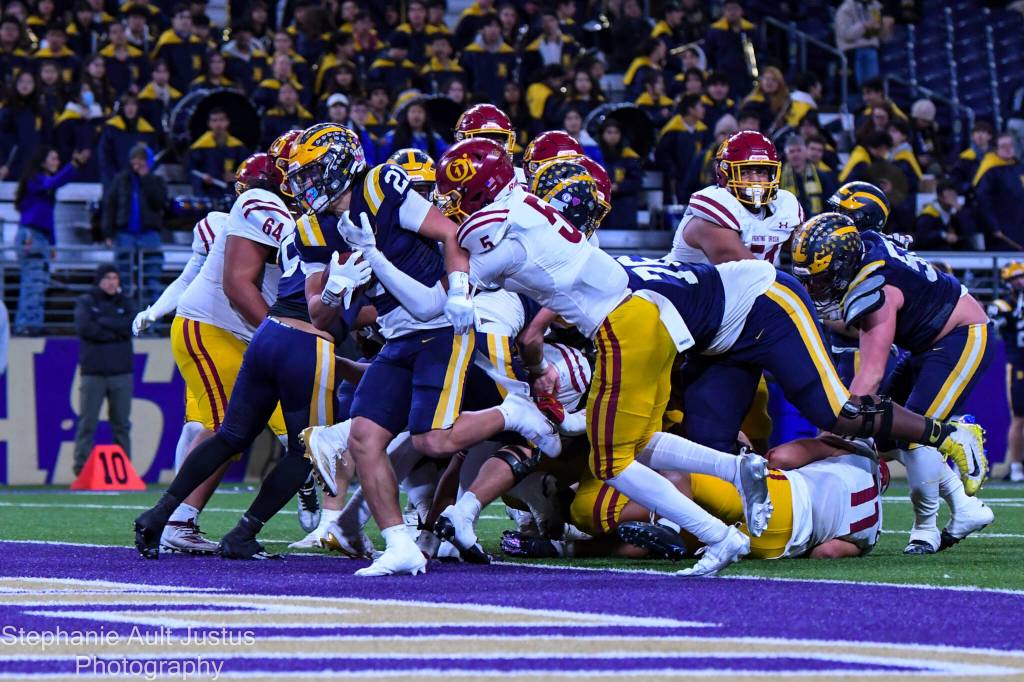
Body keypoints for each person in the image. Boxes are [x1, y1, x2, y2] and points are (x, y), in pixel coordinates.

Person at [791, 213, 993, 554]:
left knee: (913, 434)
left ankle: (925, 529)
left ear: (841, 264)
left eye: (820, 278)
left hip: (962, 335)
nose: (813, 288)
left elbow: (870, 375)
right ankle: (965, 507)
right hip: (928, 344)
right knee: (887, 435)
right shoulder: (866, 245)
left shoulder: (875, 286)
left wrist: (838, 425)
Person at [13, 146, 90, 335]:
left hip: (42, 238)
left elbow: (49, 216)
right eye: (53, 158)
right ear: (42, 161)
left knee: (38, 284)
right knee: (32, 283)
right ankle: (26, 326)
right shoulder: (35, 180)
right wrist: (74, 164)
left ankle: (32, 325)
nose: (57, 162)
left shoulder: (45, 185)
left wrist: (52, 243)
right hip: (31, 235)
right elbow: (54, 182)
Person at [72, 265, 136, 476]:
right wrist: (117, 331)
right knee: (87, 423)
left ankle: (124, 472)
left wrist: (103, 322)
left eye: (115, 278)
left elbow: (131, 325)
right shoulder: (86, 301)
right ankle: (82, 471)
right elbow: (85, 328)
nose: (111, 282)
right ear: (98, 280)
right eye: (107, 278)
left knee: (121, 424)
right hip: (93, 373)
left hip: (121, 373)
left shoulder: (126, 301)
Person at [102, 144, 167, 304]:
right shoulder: (120, 179)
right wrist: (108, 233)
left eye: (142, 159)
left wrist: (146, 178)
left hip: (149, 234)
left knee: (152, 278)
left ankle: (152, 318)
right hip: (124, 234)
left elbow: (159, 202)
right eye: (135, 159)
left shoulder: (157, 180)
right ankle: (127, 314)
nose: (138, 163)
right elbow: (110, 206)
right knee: (123, 277)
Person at [988, 263, 1024, 483]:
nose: (1020, 281)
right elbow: (993, 323)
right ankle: (1017, 466)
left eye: (1022, 276)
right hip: (1019, 366)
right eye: (1014, 278)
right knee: (1019, 418)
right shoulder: (1005, 304)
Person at [973, 132, 1024, 250]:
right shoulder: (990, 171)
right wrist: (994, 226)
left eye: (1010, 145)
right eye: (1003, 146)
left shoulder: (1019, 167)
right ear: (996, 149)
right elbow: (983, 201)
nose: (1008, 149)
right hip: (1003, 229)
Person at [655, 93, 710, 204]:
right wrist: (673, 171)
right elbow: (661, 155)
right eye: (700, 106)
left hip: (698, 181)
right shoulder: (672, 130)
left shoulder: (702, 130)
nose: (704, 109)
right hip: (677, 182)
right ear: (691, 109)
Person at [187, 107, 249, 198]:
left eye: (221, 120)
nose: (218, 124)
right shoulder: (199, 147)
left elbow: (247, 170)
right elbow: (191, 170)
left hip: (232, 192)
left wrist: (236, 176)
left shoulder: (238, 147)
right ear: (209, 124)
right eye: (214, 120)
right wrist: (202, 178)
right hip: (207, 192)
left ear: (227, 122)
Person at [97, 94, 158, 184]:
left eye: (133, 104)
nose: (130, 108)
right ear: (122, 108)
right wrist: (116, 177)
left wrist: (145, 173)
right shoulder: (111, 129)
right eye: (127, 104)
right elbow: (104, 156)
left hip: (140, 182)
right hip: (114, 182)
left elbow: (153, 157)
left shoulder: (147, 131)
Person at [705, 0, 758, 98]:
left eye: (735, 9)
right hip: (723, 77)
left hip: (746, 77)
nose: (732, 12)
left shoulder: (750, 30)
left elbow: (758, 52)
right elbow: (709, 54)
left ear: (742, 11)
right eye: (729, 9)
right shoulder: (715, 31)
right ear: (724, 11)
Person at [598, 120, 643, 230]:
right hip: (601, 203)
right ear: (602, 134)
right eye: (609, 132)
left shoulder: (629, 156)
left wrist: (618, 187)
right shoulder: (595, 154)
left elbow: (637, 182)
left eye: (616, 132)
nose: (613, 136)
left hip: (623, 205)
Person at [151, 4, 204, 91]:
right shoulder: (166, 43)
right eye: (181, 17)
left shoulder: (197, 43)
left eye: (188, 17)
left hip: (195, 89)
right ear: (173, 20)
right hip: (172, 91)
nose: (185, 21)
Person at [835, 0, 886, 87]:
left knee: (873, 85)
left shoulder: (875, 6)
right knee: (858, 86)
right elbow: (846, 34)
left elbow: (880, 31)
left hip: (872, 50)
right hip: (852, 52)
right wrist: (864, 26)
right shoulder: (845, 9)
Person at [780, 134, 833, 217]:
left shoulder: (821, 176)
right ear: (786, 154)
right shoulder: (779, 177)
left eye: (799, 150)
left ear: (805, 152)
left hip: (816, 221)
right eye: (791, 151)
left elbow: (829, 204)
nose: (795, 154)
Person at [378, 100, 448, 159]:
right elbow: (383, 160)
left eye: (420, 112)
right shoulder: (393, 136)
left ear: (426, 116)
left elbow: (444, 156)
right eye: (413, 111)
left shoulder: (434, 137)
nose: (416, 115)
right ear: (406, 115)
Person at [915, 180, 974, 250]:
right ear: (940, 197)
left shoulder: (956, 213)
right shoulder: (928, 214)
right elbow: (922, 238)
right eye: (949, 194)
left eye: (954, 194)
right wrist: (943, 235)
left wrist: (961, 211)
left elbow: (969, 233)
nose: (953, 198)